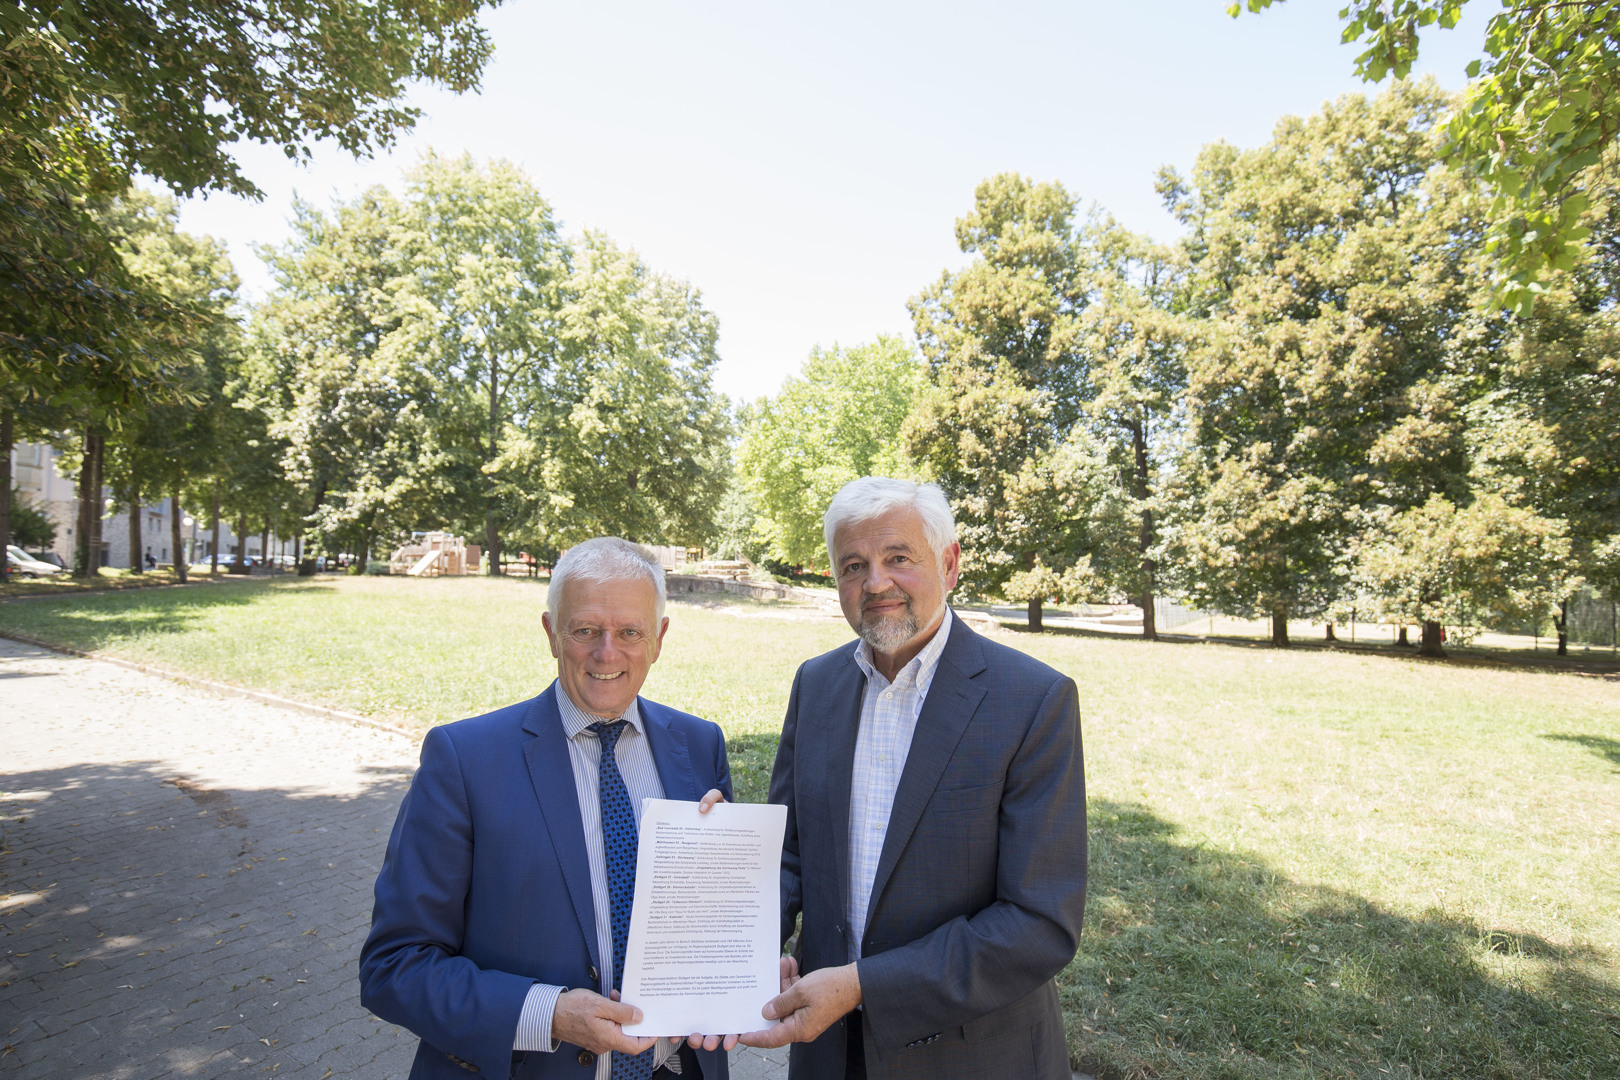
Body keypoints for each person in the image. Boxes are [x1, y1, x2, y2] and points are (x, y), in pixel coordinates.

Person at [742, 478, 1087, 1079]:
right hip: (827, 1053)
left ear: (949, 564)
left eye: (898, 558)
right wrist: (748, 949)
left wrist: (861, 986)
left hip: (971, 1057)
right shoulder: (816, 686)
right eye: (853, 565)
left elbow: (1040, 923)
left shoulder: (1033, 700)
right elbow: (789, 854)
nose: (876, 583)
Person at [361, 537, 736, 1079]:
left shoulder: (699, 747)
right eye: (585, 630)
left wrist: (732, 900)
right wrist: (548, 1014)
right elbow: (393, 966)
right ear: (550, 632)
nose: (607, 652)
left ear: (659, 638)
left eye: (630, 632)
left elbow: (713, 932)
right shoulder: (464, 760)